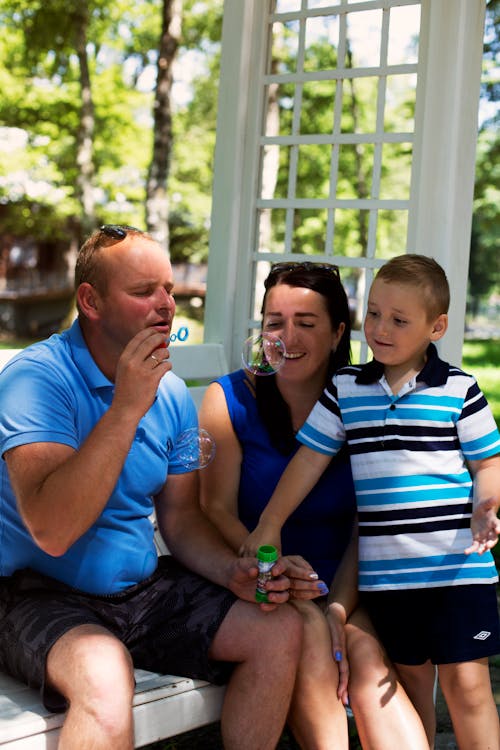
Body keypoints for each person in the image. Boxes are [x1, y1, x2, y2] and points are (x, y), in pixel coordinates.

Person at [0, 225, 327, 750]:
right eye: (143, 292)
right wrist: (127, 407)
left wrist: (232, 573)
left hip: (141, 592)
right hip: (33, 593)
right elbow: (53, 531)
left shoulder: (170, 393)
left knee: (278, 628)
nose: (166, 305)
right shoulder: (36, 380)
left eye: (169, 290)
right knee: (105, 675)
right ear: (91, 301)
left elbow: (181, 518)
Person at [243, 254, 500, 749]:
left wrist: (485, 505)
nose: (380, 328)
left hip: (456, 573)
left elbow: (488, 462)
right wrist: (270, 521)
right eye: (375, 313)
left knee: (468, 690)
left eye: (399, 320)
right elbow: (309, 461)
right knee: (412, 689)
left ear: (436, 326)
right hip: (389, 581)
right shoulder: (346, 389)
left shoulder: (458, 389)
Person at [200, 261, 429, 749]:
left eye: (306, 323)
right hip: (260, 579)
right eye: (274, 323)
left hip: (347, 579)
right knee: (305, 632)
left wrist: (339, 609)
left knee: (364, 656)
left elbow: (364, 525)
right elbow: (214, 508)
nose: (287, 336)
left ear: (337, 333)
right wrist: (276, 570)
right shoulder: (229, 400)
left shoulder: (364, 401)